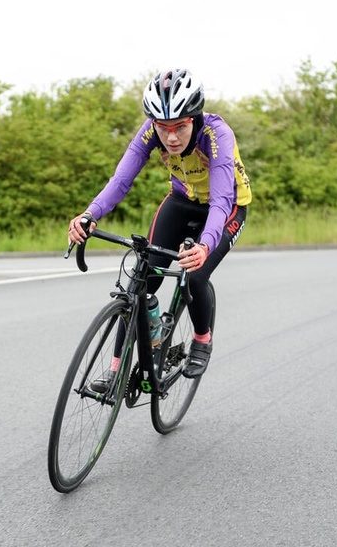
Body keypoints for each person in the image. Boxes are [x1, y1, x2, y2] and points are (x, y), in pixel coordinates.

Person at [68, 68, 251, 387]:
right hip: (182, 200)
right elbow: (121, 180)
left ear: (194, 118)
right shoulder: (151, 131)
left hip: (228, 207)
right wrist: (90, 213)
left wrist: (205, 246)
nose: (171, 137)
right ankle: (115, 371)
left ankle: (202, 340)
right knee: (141, 280)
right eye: (163, 128)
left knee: (195, 274)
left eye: (180, 127)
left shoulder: (216, 134)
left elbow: (221, 200)